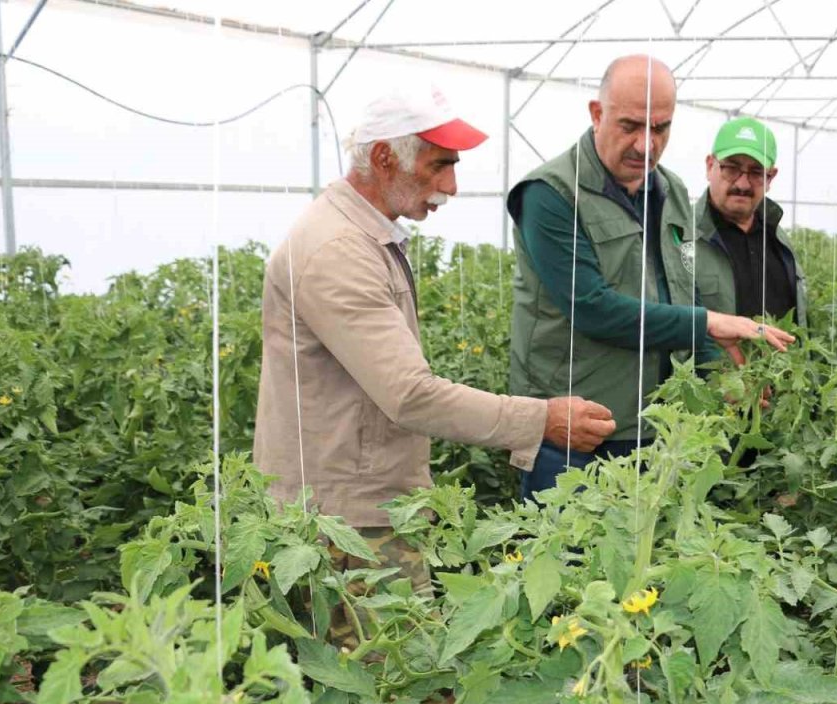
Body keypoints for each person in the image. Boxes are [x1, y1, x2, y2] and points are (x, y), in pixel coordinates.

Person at [252, 83, 617, 599]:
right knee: (389, 674)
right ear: (383, 158)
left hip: (362, 508)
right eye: (438, 165)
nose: (451, 185)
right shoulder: (337, 250)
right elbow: (410, 395)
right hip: (344, 525)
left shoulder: (361, 236)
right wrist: (542, 420)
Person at [507, 55, 794, 501]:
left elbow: (686, 290)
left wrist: (724, 376)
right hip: (578, 435)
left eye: (660, 128)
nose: (646, 144)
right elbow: (592, 308)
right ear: (596, 114)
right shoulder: (551, 194)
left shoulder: (673, 192)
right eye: (630, 126)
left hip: (661, 431)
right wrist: (707, 322)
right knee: (571, 564)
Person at [693, 117, 807, 325]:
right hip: (715, 360)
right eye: (732, 168)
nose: (743, 183)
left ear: (770, 177)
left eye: (756, 172)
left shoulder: (779, 240)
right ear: (710, 166)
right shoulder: (682, 236)